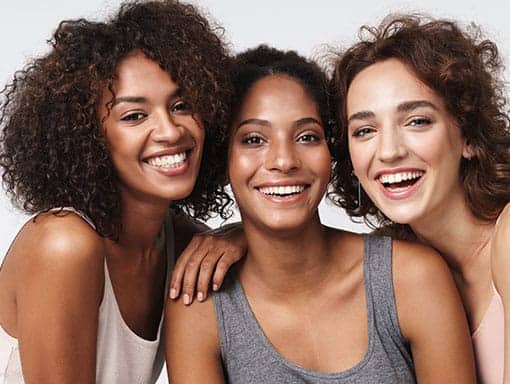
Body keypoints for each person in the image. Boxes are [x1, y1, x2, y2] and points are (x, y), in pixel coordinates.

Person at [165, 45, 476, 383]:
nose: (284, 160)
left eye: (307, 136)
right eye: (254, 139)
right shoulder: (200, 304)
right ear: (222, 158)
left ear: (333, 152)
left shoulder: (411, 278)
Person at [0, 1, 244, 383]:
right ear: (87, 137)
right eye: (134, 115)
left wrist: (244, 236)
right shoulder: (65, 245)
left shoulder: (183, 243)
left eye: (181, 105)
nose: (170, 130)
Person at [330, 14, 510, 383]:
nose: (389, 152)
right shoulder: (394, 269)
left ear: (469, 137)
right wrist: (237, 238)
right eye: (365, 130)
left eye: (417, 121)